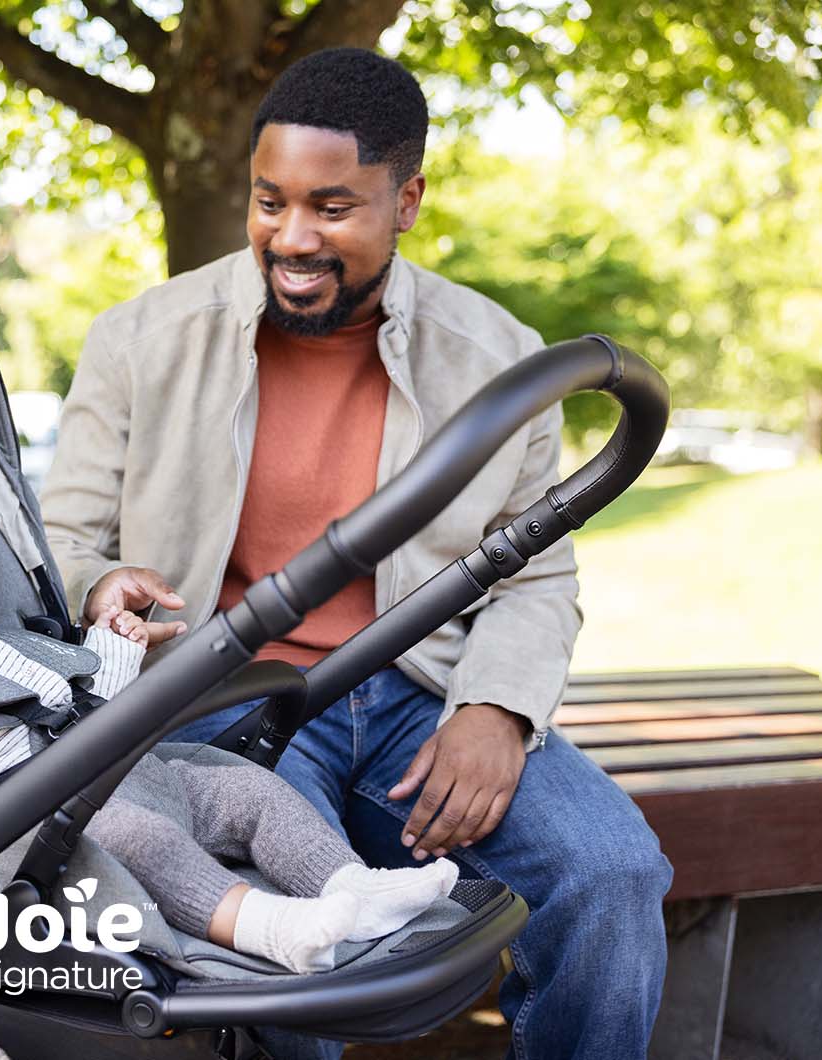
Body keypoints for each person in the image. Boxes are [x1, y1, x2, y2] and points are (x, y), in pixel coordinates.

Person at [40, 47, 673, 1060]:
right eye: (269, 201)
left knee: (609, 873)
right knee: (291, 943)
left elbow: (538, 570)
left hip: (422, 693)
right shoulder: (140, 340)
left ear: (407, 199)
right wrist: (102, 581)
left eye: (332, 208)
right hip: (226, 697)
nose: (290, 237)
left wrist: (497, 709)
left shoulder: (499, 358)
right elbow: (63, 542)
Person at [0, 481, 459, 977]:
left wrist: (117, 644)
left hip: (123, 777)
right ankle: (269, 927)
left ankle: (351, 887)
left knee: (248, 790)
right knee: (139, 839)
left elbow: (91, 698)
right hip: (38, 834)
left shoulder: (1, 649)